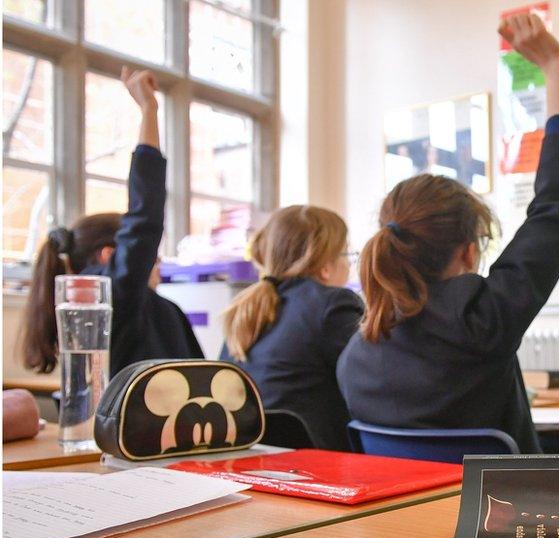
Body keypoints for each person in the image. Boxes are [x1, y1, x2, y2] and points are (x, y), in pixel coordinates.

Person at [338, 14, 559, 454]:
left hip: (399, 524)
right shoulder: (483, 320)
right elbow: (557, 206)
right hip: (506, 521)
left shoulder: (355, 355)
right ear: (468, 253)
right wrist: (555, 66)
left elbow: (554, 208)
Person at [22, 67, 203, 377]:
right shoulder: (107, 300)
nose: (156, 260)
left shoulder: (159, 309)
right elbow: (144, 218)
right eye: (151, 254)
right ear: (108, 255)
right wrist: (149, 110)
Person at [221, 206, 363, 451]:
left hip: (253, 455)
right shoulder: (334, 304)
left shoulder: (245, 310)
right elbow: (366, 384)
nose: (348, 264)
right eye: (346, 254)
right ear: (326, 266)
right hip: (318, 461)